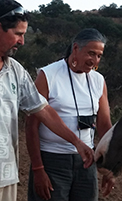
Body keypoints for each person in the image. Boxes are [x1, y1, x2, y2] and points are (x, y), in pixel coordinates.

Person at [0, 1, 95, 201]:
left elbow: (43, 111)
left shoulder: (15, 70)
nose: (22, 41)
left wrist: (76, 142)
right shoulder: (49, 74)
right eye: (18, 34)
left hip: (5, 174)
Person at [26, 28, 114, 201]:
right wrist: (38, 169)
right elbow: (31, 126)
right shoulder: (48, 75)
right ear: (75, 49)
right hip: (52, 160)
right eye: (90, 53)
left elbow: (104, 125)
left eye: (99, 56)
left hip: (87, 162)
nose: (94, 60)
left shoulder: (98, 80)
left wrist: (110, 165)